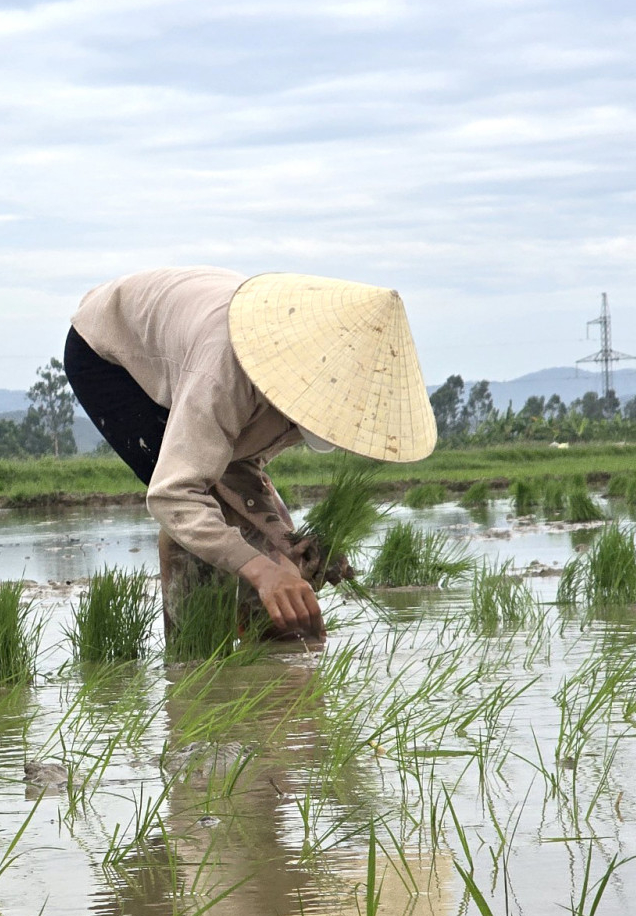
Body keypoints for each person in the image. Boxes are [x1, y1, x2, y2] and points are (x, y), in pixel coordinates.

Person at [63, 268, 434, 646]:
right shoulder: (223, 376)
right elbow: (173, 493)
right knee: (202, 521)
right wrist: (261, 570)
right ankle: (199, 663)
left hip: (192, 338)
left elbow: (238, 463)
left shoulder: (303, 373)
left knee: (262, 541)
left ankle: (265, 651)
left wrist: (287, 541)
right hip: (109, 354)